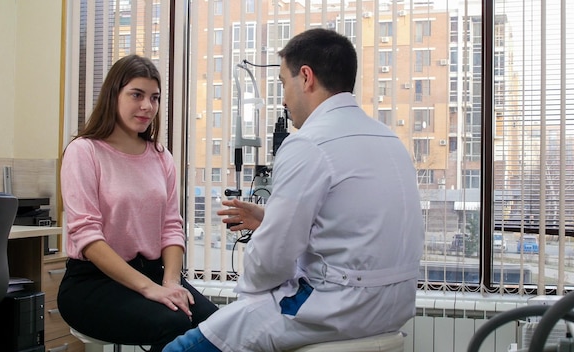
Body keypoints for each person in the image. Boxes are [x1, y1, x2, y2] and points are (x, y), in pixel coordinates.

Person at [164, 28, 425, 352]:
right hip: (391, 310)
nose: (284, 99)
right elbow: (353, 230)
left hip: (333, 308)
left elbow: (269, 265)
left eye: (283, 84)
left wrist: (267, 243)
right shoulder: (389, 140)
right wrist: (271, 217)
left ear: (306, 77)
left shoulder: (308, 144)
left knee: (182, 348)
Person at [58, 54, 218, 352]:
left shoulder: (160, 156)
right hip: (93, 283)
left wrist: (170, 283)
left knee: (217, 328)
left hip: (155, 272)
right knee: (173, 324)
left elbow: (171, 227)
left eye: (154, 98)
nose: (148, 106)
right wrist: (150, 290)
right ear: (113, 95)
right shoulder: (84, 152)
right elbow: (87, 237)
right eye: (137, 95)